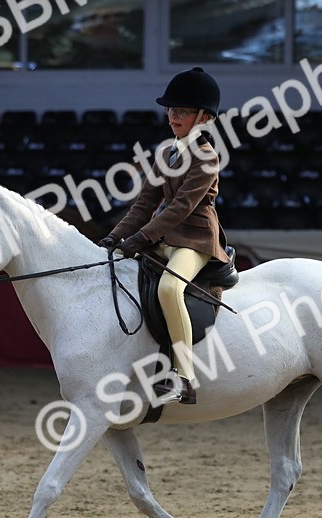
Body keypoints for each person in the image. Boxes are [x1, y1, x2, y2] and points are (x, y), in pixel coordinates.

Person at [98, 67, 230, 406]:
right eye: (171, 110)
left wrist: (141, 238)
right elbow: (145, 203)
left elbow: (181, 208)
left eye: (182, 111)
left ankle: (184, 377)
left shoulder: (207, 157)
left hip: (195, 239)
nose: (173, 116)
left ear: (203, 118)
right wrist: (114, 238)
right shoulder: (165, 153)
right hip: (165, 238)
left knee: (170, 288)